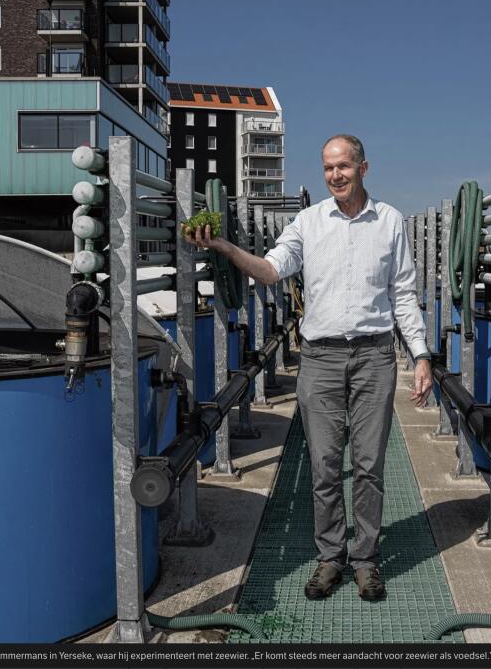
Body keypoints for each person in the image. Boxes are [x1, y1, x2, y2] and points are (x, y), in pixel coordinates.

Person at [185, 134, 433, 602]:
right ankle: (329, 558)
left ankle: (365, 560)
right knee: (323, 464)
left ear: (364, 166)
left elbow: (403, 295)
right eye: (327, 168)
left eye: (343, 165)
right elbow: (270, 269)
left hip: (374, 357)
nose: (335, 175)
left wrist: (420, 355)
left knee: (368, 465)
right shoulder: (308, 222)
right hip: (319, 359)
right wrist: (222, 244)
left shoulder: (390, 223)